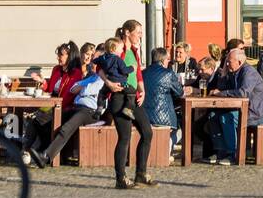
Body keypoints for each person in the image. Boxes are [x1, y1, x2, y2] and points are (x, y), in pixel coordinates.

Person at [95, 36, 156, 189]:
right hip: (119, 98)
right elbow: (99, 67)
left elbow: (138, 74)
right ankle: (120, 178)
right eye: (138, 32)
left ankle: (141, 174)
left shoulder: (134, 51)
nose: (141, 35)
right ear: (128, 33)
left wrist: (142, 90)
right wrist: (109, 83)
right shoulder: (117, 49)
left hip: (133, 98)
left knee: (147, 132)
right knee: (125, 137)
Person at [33, 55, 109, 168]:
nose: (92, 63)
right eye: (92, 61)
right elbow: (73, 88)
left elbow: (86, 90)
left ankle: (45, 157)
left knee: (65, 128)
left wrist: (82, 88)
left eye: (95, 61)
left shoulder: (102, 78)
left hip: (90, 111)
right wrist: (83, 88)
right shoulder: (91, 77)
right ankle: (41, 151)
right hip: (77, 107)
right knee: (49, 121)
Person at [212, 47, 263, 164]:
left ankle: (234, 154)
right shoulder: (234, 72)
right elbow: (224, 88)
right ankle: (222, 152)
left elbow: (243, 93)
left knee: (227, 118)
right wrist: (224, 73)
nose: (226, 63)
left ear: (239, 62)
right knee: (213, 115)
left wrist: (221, 93)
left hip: (257, 113)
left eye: (229, 62)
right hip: (245, 110)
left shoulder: (248, 72)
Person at [142, 46, 185, 151]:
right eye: (167, 59)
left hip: (144, 116)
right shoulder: (168, 74)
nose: (168, 61)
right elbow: (180, 92)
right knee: (180, 131)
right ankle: (166, 151)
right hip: (164, 117)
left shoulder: (143, 73)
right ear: (162, 60)